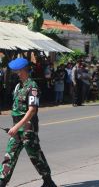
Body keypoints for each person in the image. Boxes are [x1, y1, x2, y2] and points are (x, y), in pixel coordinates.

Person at [0, 58, 57, 187]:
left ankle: (48, 180)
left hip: (27, 128)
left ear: (23, 71)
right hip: (17, 128)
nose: (16, 73)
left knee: (35, 155)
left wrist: (17, 127)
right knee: (10, 154)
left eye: (17, 71)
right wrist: (15, 127)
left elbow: (32, 110)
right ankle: (2, 181)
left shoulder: (32, 87)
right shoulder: (18, 86)